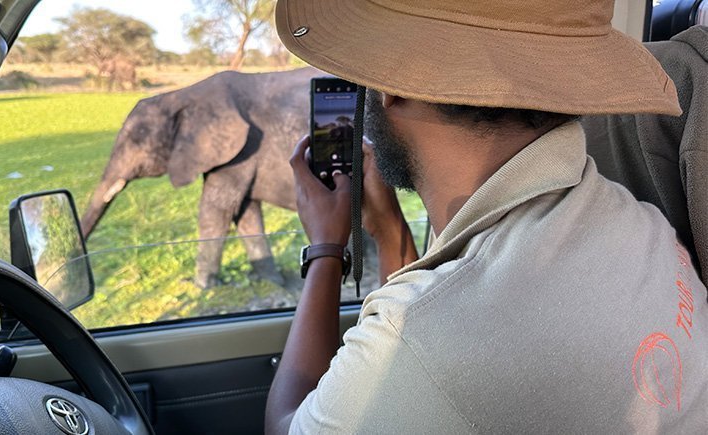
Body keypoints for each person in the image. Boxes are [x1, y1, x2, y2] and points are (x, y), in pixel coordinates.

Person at [265, 0, 708, 433]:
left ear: (390, 84)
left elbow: (287, 425)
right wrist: (388, 230)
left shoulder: (425, 337)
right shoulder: (638, 220)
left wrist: (325, 249)